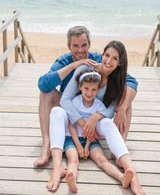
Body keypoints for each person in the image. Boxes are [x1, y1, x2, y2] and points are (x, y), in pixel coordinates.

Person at [48, 41, 145, 195]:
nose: (108, 61)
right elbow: (65, 100)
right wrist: (84, 123)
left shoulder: (118, 80)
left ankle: (131, 172)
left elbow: (111, 109)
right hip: (77, 122)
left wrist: (96, 116)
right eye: (107, 55)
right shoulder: (85, 70)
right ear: (102, 54)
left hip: (97, 123)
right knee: (56, 112)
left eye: (114, 58)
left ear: (120, 63)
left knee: (107, 122)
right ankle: (57, 168)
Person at [34, 26, 137, 167]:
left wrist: (121, 108)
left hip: (95, 108)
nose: (80, 50)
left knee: (126, 98)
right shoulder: (63, 61)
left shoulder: (98, 60)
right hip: (70, 105)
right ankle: (47, 146)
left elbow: (131, 81)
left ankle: (120, 147)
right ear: (68, 46)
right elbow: (43, 84)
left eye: (84, 45)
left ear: (89, 44)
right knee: (45, 93)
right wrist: (73, 66)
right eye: (75, 46)